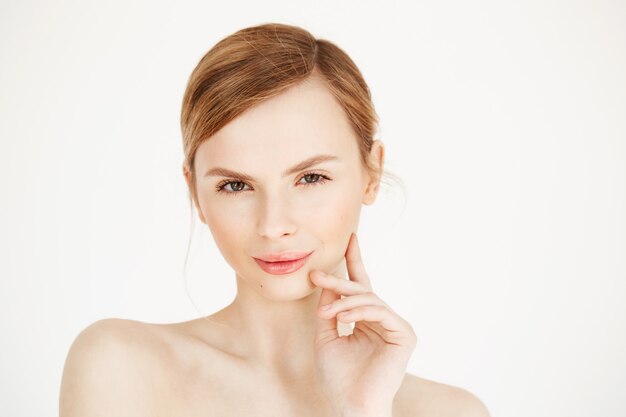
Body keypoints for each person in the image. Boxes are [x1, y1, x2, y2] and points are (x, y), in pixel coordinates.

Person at [59, 23, 490, 417]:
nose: (273, 224)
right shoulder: (120, 367)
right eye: (235, 186)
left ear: (371, 174)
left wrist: (361, 412)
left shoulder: (450, 411)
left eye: (311, 177)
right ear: (195, 192)